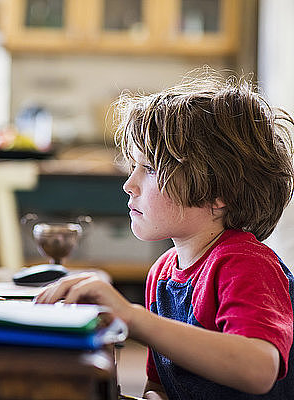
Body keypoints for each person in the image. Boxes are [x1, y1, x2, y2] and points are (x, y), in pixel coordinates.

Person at [35, 73, 294, 399]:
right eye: (133, 167)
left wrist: (133, 317)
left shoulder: (246, 265)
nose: (129, 185)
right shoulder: (162, 272)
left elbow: (259, 369)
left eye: (152, 169)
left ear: (218, 191)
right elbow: (161, 386)